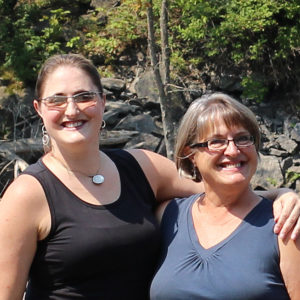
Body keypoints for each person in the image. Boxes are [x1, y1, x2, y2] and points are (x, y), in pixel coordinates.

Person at [0, 55, 299, 300]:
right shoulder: (27, 195)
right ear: (39, 109)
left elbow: (221, 186)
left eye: (84, 96)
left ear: (103, 102)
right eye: (57, 100)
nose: (72, 109)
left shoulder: (142, 167)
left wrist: (282, 195)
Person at [150, 93, 300, 300]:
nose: (232, 150)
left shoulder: (285, 224)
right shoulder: (168, 215)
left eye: (242, 138)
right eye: (217, 141)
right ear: (191, 154)